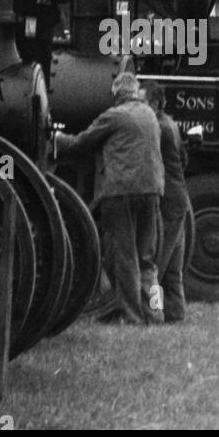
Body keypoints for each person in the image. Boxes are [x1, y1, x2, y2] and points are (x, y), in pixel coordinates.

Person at [56, 71, 164, 325]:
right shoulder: (149, 114)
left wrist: (57, 139)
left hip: (122, 191)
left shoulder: (114, 115)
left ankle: (132, 316)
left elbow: (80, 143)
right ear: (135, 92)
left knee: (124, 255)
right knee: (146, 258)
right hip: (152, 191)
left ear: (116, 94)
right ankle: (156, 312)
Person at [142, 82, 188, 323]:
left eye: (144, 101)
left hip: (168, 199)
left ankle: (154, 312)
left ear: (156, 103)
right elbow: (183, 158)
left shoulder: (156, 126)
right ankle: (176, 312)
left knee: (157, 261)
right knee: (173, 265)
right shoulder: (170, 123)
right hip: (179, 197)